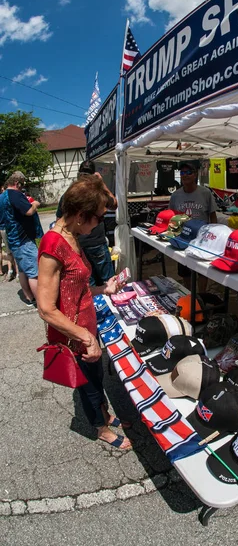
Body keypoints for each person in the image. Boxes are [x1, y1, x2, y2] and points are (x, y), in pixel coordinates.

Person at [37, 174, 132, 451]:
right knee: (87, 384)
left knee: (95, 377)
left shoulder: (72, 235)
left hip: (85, 325)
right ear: (80, 216)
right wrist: (85, 337)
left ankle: (103, 414)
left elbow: (77, 287)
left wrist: (104, 289)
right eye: (98, 218)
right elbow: (46, 308)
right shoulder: (53, 245)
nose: (101, 222)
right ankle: (100, 427)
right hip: (73, 334)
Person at [56, 161, 117, 286]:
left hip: (90, 244)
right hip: (83, 244)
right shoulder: (81, 194)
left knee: (96, 283)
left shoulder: (91, 194)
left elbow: (113, 205)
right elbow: (60, 221)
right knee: (97, 283)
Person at [169, 161, 217, 289]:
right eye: (182, 173)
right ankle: (189, 294)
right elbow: (172, 217)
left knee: (202, 270)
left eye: (188, 172)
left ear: (195, 175)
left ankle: (201, 297)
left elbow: (212, 215)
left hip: (202, 240)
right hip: (183, 238)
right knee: (184, 269)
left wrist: (215, 236)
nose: (185, 175)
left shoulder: (205, 193)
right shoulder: (175, 195)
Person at [0, 172, 42, 304]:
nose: (22, 188)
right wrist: (35, 204)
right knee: (34, 272)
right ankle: (41, 302)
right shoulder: (15, 194)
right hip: (23, 240)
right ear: (17, 183)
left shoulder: (2, 196)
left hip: (13, 238)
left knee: (23, 270)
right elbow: (28, 211)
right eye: (22, 185)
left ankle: (29, 297)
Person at [0, 184, 17, 281]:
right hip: (4, 227)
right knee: (9, 250)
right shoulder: (5, 199)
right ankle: (12, 270)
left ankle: (1, 270)